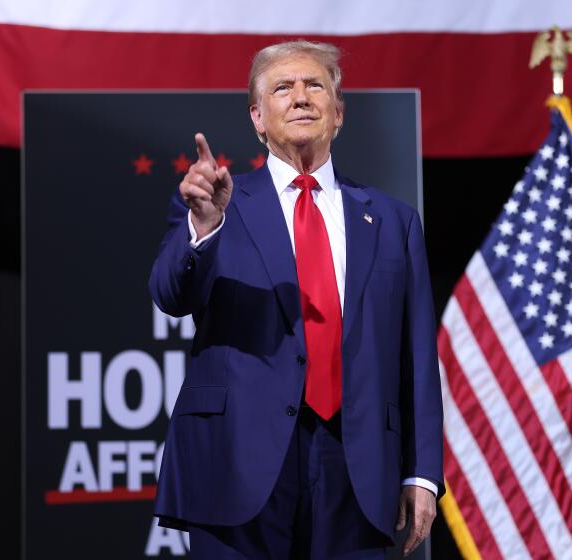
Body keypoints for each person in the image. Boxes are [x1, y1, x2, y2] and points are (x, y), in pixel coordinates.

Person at [149, 40, 444, 559]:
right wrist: (205, 225)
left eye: (315, 86)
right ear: (258, 118)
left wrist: (421, 471)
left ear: (339, 112)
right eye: (283, 87)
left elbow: (416, 356)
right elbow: (171, 294)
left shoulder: (394, 221)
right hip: (237, 460)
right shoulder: (218, 203)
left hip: (357, 466)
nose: (301, 97)